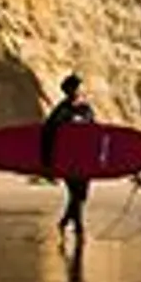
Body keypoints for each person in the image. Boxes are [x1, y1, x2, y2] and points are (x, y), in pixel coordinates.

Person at [39, 72, 97, 243]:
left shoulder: (86, 109)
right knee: (76, 194)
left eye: (78, 87)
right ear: (68, 90)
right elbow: (47, 136)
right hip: (66, 159)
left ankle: (64, 222)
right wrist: (47, 164)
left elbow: (94, 133)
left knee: (81, 195)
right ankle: (79, 230)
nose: (77, 90)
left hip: (84, 158)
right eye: (74, 87)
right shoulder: (60, 111)